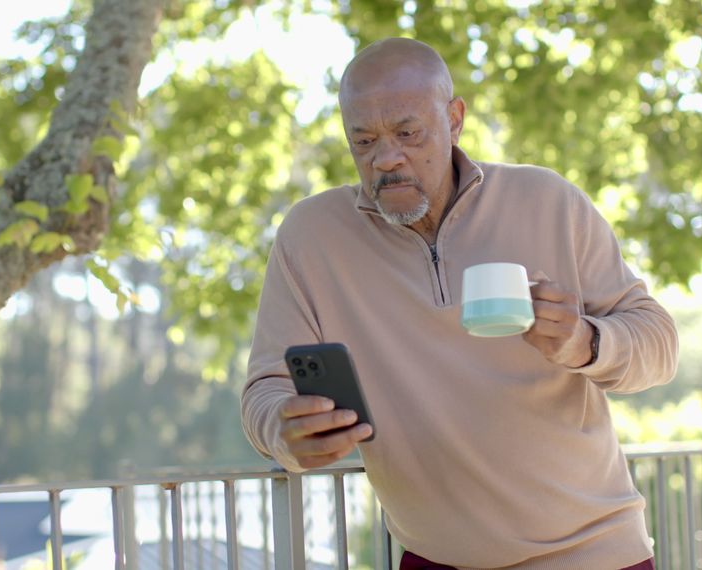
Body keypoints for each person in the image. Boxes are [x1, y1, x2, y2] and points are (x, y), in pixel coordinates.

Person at [240, 37, 678, 569]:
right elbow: (264, 390)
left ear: (454, 119)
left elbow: (659, 345)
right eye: (363, 140)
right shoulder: (311, 236)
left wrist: (583, 340)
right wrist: (284, 434)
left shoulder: (548, 201)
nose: (386, 159)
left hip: (597, 554)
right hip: (435, 560)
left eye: (407, 133)